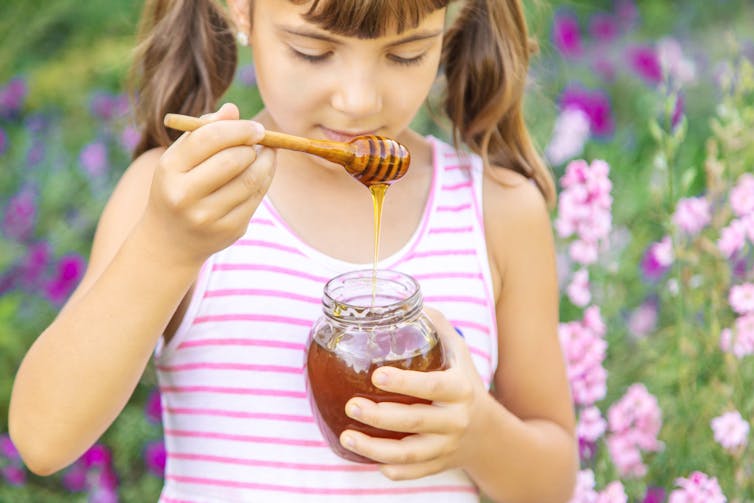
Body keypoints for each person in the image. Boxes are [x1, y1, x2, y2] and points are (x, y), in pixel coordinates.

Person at [9, 0, 578, 501]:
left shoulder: (497, 212)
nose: (358, 101)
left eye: (406, 54)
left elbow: (552, 481)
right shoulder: (179, 201)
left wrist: (478, 434)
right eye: (312, 49)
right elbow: (43, 438)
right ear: (242, 10)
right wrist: (167, 246)